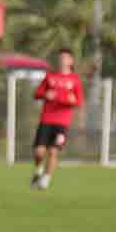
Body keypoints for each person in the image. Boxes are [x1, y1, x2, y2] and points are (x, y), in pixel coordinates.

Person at [30, 47, 84, 190]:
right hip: (46, 119)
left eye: (65, 58)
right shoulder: (50, 76)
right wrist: (45, 95)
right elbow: (36, 94)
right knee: (39, 152)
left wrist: (72, 100)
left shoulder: (75, 80)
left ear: (71, 61)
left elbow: (79, 101)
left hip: (62, 123)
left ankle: (46, 179)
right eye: (60, 58)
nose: (62, 60)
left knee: (54, 151)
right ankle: (38, 169)